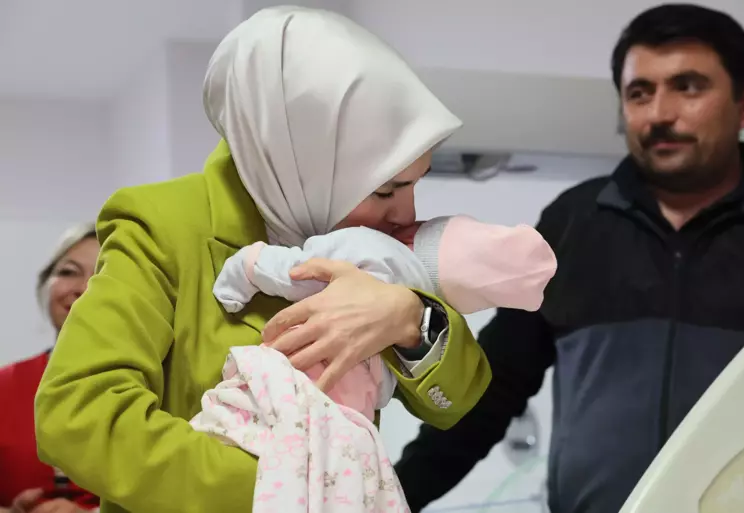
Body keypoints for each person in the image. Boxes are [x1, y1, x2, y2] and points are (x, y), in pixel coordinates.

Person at [33, 7, 492, 513]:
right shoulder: (164, 225)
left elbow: (458, 404)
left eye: (414, 184)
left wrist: (410, 318)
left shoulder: (363, 240)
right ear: (305, 160)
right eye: (385, 189)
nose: (406, 212)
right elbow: (78, 414)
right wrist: (285, 490)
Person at [394, 4, 744, 513]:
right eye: (640, 93)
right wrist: (388, 498)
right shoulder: (574, 222)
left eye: (688, 87)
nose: (660, 114)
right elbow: (495, 390)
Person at [212, 215, 557, 421]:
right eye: (387, 190)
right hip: (336, 424)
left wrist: (246, 269)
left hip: (278, 389)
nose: (405, 211)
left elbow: (293, 272)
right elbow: (383, 393)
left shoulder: (367, 250)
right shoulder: (417, 304)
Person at [0, 224, 100, 513]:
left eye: (103, 275)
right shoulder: (4, 386)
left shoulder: (162, 389)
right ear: (45, 285)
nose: (82, 288)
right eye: (69, 272)